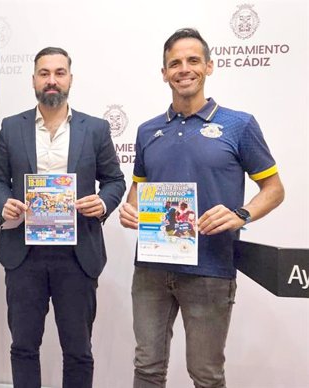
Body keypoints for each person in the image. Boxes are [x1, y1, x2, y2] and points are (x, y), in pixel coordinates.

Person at [118, 28, 284, 388]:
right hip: (150, 269)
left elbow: (274, 189)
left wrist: (241, 214)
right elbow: (137, 190)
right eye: (174, 63)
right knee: (147, 367)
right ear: (163, 73)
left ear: (209, 66)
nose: (183, 69)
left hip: (211, 267)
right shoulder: (148, 131)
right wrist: (129, 209)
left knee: (206, 374)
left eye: (193, 60)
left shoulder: (238, 124)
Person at [0, 47, 125, 388]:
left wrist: (104, 203)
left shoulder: (94, 129)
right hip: (24, 255)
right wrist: (3, 202)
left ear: (70, 78)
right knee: (23, 347)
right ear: (34, 79)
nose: (52, 80)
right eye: (44, 73)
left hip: (77, 254)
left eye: (59, 73)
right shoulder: (11, 127)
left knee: (78, 350)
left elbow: (115, 181)